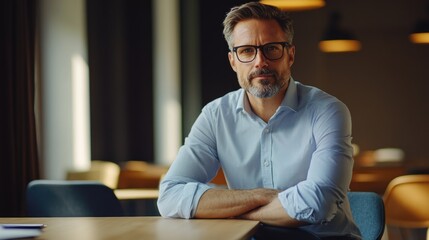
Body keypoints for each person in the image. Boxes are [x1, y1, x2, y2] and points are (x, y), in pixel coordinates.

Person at [157, 2, 361, 239]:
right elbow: (170, 196)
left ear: (290, 55)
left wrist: (233, 212)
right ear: (233, 61)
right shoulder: (215, 115)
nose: (259, 62)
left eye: (271, 48)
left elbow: (318, 202)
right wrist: (262, 196)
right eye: (246, 51)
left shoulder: (327, 111)